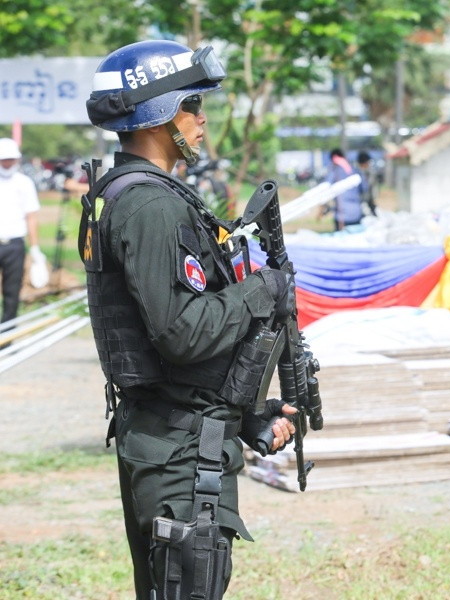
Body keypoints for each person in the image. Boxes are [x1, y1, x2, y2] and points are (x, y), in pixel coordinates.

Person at [83, 39, 299, 600]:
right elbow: (181, 332)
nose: (202, 120)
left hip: (183, 437)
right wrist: (262, 290)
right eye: (190, 107)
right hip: (177, 456)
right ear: (157, 116)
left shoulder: (149, 196)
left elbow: (174, 349)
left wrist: (244, 416)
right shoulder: (151, 206)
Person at [0, 137, 43, 324]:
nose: (7, 163)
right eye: (4, 159)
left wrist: (35, 248)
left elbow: (31, 217)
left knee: (12, 290)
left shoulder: (24, 183)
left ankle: (7, 334)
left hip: (15, 243)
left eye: (10, 159)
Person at [323, 148, 366, 231]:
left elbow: (326, 188)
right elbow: (364, 188)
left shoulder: (334, 170)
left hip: (341, 216)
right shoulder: (354, 169)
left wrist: (322, 210)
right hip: (357, 213)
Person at [356, 150, 378, 217]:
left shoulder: (368, 172)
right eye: (367, 162)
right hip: (361, 201)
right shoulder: (359, 173)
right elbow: (368, 186)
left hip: (368, 201)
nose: (368, 164)